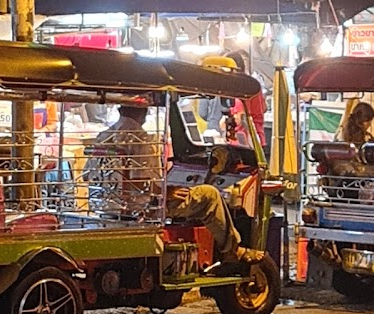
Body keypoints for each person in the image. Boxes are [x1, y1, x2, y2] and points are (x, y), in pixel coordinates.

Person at [89, 99, 257, 261]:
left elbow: (92, 174)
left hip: (108, 206)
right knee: (210, 194)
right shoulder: (140, 138)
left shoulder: (103, 136)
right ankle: (232, 249)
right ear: (144, 111)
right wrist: (166, 191)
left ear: (120, 110)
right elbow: (140, 184)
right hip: (142, 208)